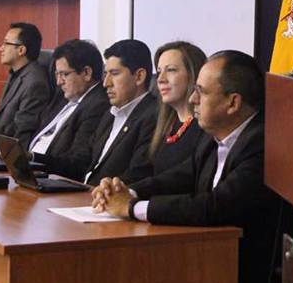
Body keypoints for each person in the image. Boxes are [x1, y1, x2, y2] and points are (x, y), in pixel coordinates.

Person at [92, 50, 281, 283]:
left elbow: (213, 207)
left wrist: (131, 208)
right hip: (209, 265)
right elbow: (179, 176)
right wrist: (124, 189)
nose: (193, 100)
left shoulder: (262, 144)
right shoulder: (214, 136)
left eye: (202, 92)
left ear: (233, 102)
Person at [38, 39, 157, 185]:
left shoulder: (153, 116)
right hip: (81, 195)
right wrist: (32, 159)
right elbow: (78, 162)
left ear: (139, 76)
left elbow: (137, 175)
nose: (106, 82)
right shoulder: (111, 113)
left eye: (114, 73)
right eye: (105, 74)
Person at [123, 41, 207, 183]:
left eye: (171, 70)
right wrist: (115, 185)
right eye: (159, 71)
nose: (160, 79)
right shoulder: (160, 123)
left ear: (194, 74)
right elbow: (143, 171)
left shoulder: (206, 128)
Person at [26, 39, 110, 163]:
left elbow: (76, 161)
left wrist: (33, 157)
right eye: (57, 75)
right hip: (28, 166)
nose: (59, 82)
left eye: (64, 74)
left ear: (87, 73)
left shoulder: (98, 105)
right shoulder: (62, 96)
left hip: (48, 173)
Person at [0, 22, 50, 150]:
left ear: (21, 50)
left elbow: (18, 130)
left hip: (6, 150)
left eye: (6, 43)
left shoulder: (35, 83)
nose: (1, 48)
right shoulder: (16, 73)